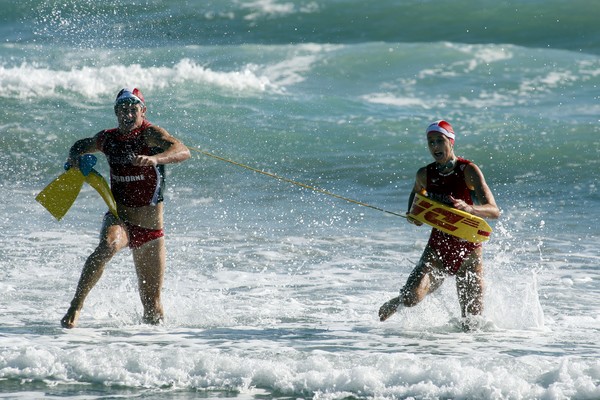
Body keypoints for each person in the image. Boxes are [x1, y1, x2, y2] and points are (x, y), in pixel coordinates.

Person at [60, 88, 191, 328]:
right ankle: (76, 305)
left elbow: (182, 151)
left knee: (152, 306)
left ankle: (154, 346)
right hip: (120, 218)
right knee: (107, 246)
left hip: (151, 230)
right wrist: (74, 160)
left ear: (143, 111)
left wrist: (155, 159)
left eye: (133, 109)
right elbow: (80, 146)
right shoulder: (107, 138)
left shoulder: (150, 134)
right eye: (123, 109)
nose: (128, 114)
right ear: (116, 112)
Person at [378, 120, 500, 328]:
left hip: (468, 254)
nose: (434, 146)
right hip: (437, 250)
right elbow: (416, 194)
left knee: (471, 326)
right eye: (430, 142)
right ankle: (398, 301)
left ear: (451, 142)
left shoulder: (468, 170)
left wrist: (470, 208)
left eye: (439, 140)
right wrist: (413, 214)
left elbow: (493, 210)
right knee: (411, 297)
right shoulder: (425, 174)